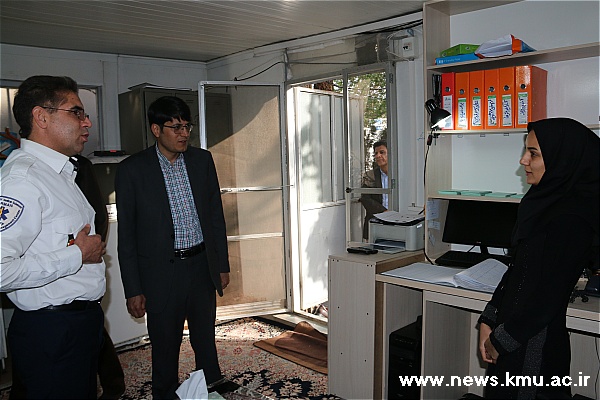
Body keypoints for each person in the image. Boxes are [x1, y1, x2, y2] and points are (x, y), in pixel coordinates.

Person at [115, 96, 231, 399]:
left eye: (187, 126)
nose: (184, 133)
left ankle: (211, 385)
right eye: (175, 127)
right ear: (156, 129)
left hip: (201, 265)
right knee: (165, 342)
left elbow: (215, 217)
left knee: (205, 335)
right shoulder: (132, 170)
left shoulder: (202, 161)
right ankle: (164, 393)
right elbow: (126, 236)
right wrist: (133, 289)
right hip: (161, 273)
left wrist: (221, 265)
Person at [0, 75, 106, 399]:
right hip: (52, 331)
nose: (86, 122)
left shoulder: (60, 172)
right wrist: (77, 255)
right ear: (41, 117)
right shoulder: (23, 180)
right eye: (76, 112)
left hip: (76, 325)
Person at [477, 118, 599, 399]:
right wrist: (489, 318)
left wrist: (501, 340)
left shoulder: (573, 220)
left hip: (533, 348)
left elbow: (547, 298)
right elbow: (517, 271)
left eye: (533, 153)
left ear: (562, 160)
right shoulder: (543, 206)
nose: (523, 160)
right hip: (512, 334)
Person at [360, 140, 389, 239]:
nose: (378, 156)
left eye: (382, 152)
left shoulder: (399, 174)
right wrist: (384, 212)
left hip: (398, 221)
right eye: (376, 153)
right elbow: (365, 198)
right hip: (375, 221)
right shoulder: (370, 175)